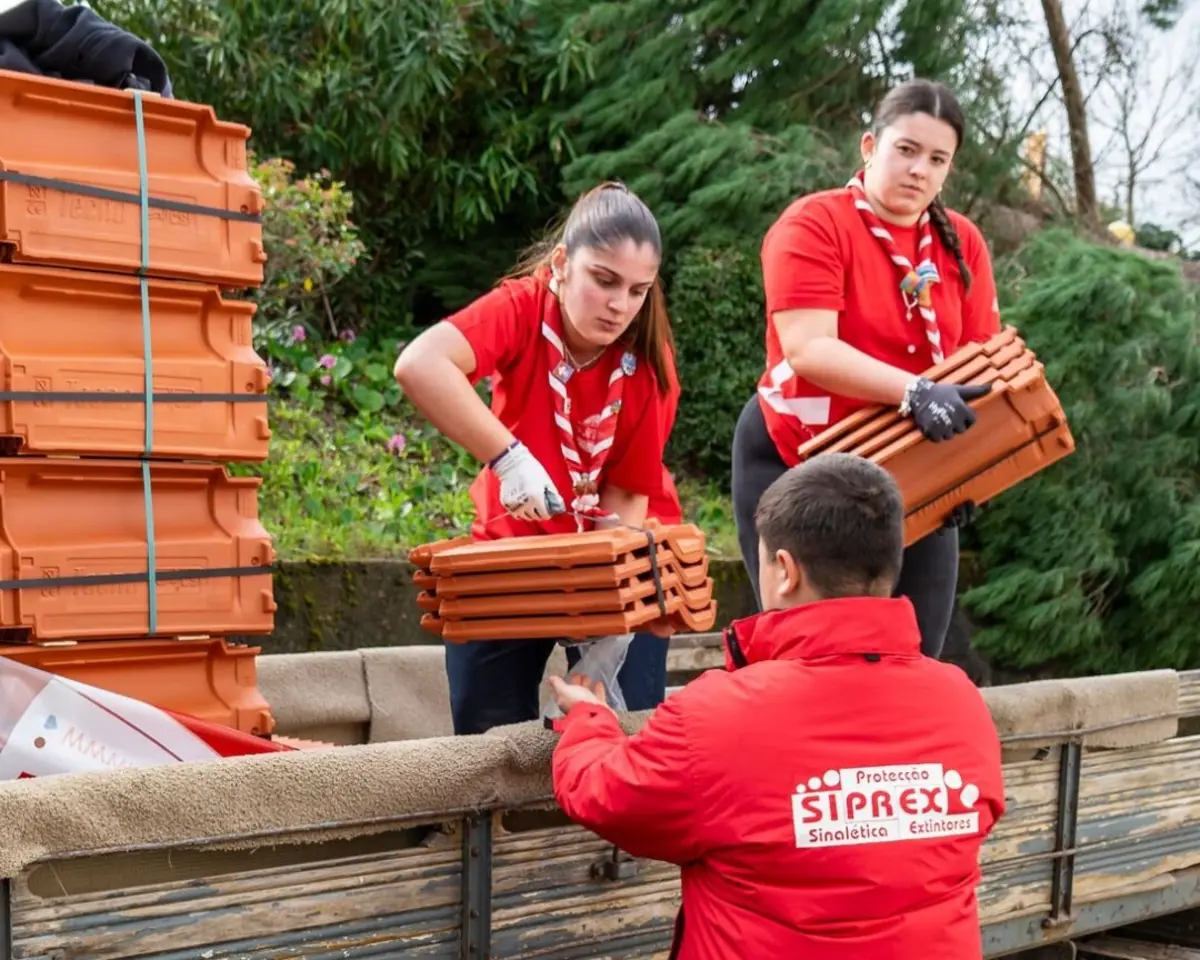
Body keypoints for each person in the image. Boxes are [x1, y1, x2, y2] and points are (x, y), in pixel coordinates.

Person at [548, 453, 1006, 960]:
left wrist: (589, 719)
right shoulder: (961, 702)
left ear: (784, 571)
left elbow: (609, 795)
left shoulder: (719, 715)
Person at [394, 181, 681, 735]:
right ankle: (484, 823)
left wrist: (605, 621)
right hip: (517, 543)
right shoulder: (523, 307)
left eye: (638, 290)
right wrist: (508, 457)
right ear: (562, 264)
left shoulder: (649, 357)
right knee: (484, 728)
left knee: (628, 722)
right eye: (603, 280)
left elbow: (627, 497)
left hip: (619, 544)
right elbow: (420, 364)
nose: (619, 304)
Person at [732, 77, 1002, 659]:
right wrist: (915, 390)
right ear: (868, 146)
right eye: (905, 150)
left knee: (914, 653)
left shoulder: (964, 244)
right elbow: (809, 349)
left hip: (910, 467)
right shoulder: (813, 223)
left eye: (937, 159)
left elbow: (979, 366)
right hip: (798, 457)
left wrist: (971, 471)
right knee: (806, 653)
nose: (919, 171)